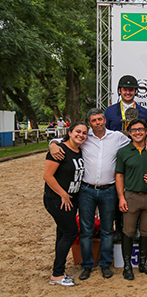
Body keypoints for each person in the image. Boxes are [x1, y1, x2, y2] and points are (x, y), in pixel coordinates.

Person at [49, 108, 132, 280]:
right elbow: (61, 139)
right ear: (90, 122)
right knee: (86, 230)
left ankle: (105, 264)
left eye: (100, 119)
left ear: (105, 120)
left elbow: (135, 139)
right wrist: (52, 144)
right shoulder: (84, 137)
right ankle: (87, 265)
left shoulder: (117, 137)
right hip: (86, 190)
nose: (98, 123)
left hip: (109, 190)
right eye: (94, 120)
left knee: (107, 230)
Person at [104, 74, 147, 243]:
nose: (128, 92)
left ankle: (137, 226)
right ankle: (118, 227)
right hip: (115, 156)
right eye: (125, 89)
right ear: (119, 91)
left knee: (135, 189)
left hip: (136, 156)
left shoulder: (144, 112)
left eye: (131, 89)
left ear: (136, 92)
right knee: (119, 190)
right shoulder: (110, 111)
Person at [43, 122, 87, 286]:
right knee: (70, 232)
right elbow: (48, 176)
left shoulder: (80, 150)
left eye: (84, 133)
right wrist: (63, 194)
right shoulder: (60, 150)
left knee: (62, 234)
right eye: (77, 131)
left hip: (72, 199)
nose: (81, 135)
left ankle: (58, 270)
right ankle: (57, 273)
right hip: (58, 199)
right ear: (70, 132)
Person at [116, 119, 147, 280]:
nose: (137, 132)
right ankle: (127, 266)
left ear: (146, 131)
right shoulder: (124, 151)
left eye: (140, 129)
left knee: (146, 232)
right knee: (128, 231)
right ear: (129, 133)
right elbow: (119, 175)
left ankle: (143, 263)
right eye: (134, 130)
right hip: (131, 196)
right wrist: (121, 197)